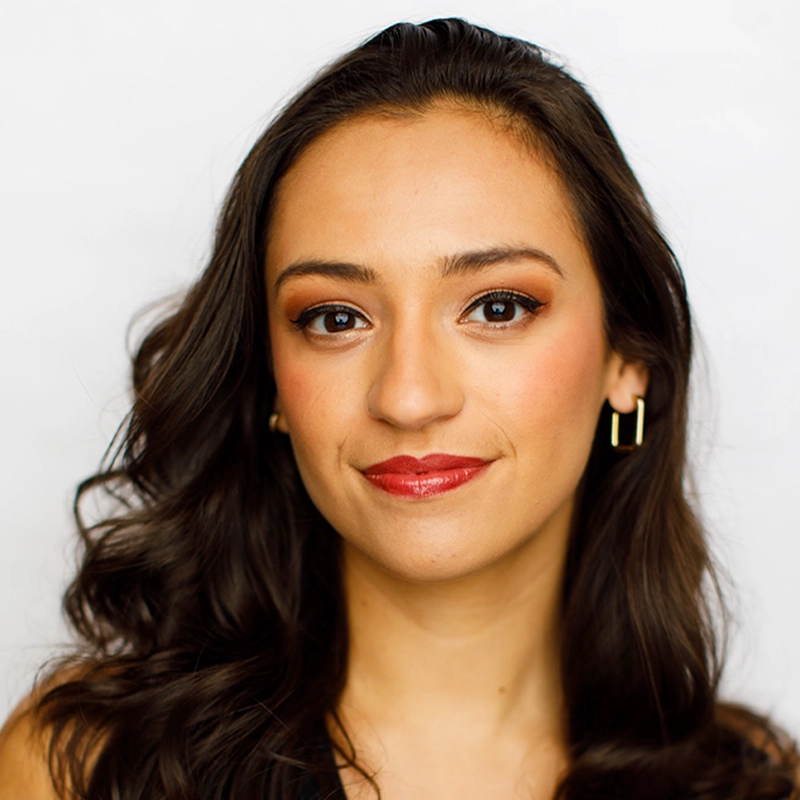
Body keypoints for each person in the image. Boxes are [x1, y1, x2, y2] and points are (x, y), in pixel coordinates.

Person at [0, 17, 796, 800]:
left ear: (628, 361)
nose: (409, 398)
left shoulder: (750, 786)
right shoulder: (83, 770)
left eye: (497, 307)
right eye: (336, 319)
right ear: (271, 380)